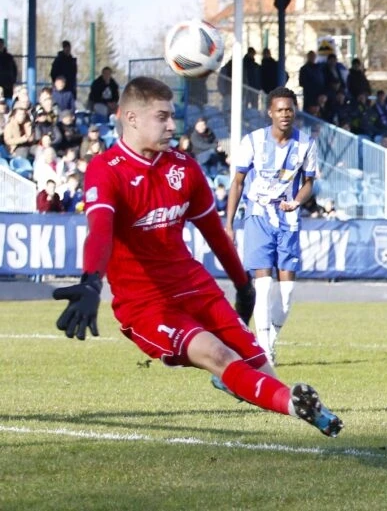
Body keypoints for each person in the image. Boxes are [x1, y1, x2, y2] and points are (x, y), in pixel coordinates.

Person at [51, 76, 341, 437]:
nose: (172, 126)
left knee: (259, 365)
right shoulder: (106, 169)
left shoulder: (184, 168)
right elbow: (100, 230)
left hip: (196, 287)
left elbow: (214, 233)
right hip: (148, 304)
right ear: (131, 118)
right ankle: (294, 404)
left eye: (172, 116)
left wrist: (243, 285)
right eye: (162, 117)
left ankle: (302, 407)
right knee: (218, 355)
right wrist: (91, 282)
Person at [225, 87, 319, 366]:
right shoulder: (252, 141)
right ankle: (264, 351)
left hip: (288, 221)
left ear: (295, 111)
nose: (285, 114)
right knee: (263, 286)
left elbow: (309, 183)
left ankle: (268, 342)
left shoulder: (306, 144)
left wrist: (296, 202)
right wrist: (228, 224)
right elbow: (238, 183)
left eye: (289, 109)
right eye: (279, 110)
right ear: (270, 112)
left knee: (287, 296)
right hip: (258, 216)